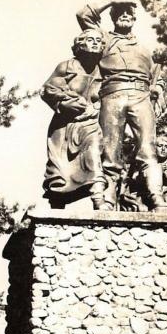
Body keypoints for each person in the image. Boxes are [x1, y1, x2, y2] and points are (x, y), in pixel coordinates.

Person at [76, 0, 165, 211]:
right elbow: (83, 15)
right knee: (110, 151)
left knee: (148, 149)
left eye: (129, 13)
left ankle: (157, 198)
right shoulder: (103, 39)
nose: (125, 15)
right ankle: (107, 200)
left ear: (134, 19)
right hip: (112, 95)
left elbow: (157, 77)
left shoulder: (144, 49)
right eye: (120, 12)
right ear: (113, 17)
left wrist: (158, 90)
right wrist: (111, 1)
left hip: (141, 97)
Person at [41, 29, 106, 207]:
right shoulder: (67, 67)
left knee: (94, 154)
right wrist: (62, 104)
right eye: (90, 40)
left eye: (99, 41)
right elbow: (47, 90)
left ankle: (98, 198)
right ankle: (57, 205)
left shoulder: (104, 70)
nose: (95, 43)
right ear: (80, 44)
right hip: (64, 125)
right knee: (59, 171)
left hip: (90, 123)